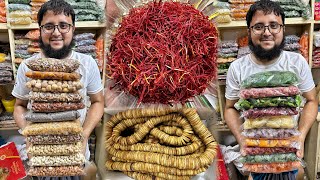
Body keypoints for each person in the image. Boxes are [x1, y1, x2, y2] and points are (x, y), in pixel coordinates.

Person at [224, 0, 318, 178]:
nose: (267, 32)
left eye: (273, 26)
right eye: (258, 27)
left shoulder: (296, 62)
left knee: (296, 174)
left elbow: (312, 100)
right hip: (255, 147)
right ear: (249, 31)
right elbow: (229, 108)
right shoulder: (237, 68)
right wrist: (242, 139)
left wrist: (301, 136)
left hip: (288, 143)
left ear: (282, 29)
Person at [12, 0, 104, 178]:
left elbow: (98, 102)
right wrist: (29, 133)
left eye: (63, 25)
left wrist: (84, 135)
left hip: (74, 152)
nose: (56, 33)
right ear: (40, 30)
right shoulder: (27, 66)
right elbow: (19, 106)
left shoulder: (86, 63)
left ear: (73, 29)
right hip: (41, 155)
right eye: (48, 26)